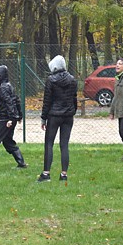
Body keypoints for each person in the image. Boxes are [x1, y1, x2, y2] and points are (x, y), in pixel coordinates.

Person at [38, 55, 78, 183]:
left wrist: (43, 118)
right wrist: (72, 111)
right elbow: (74, 98)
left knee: (49, 143)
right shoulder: (72, 80)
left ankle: (46, 173)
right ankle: (64, 174)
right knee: (64, 144)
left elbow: (47, 100)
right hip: (68, 116)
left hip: (54, 115)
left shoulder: (51, 80)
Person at [0, 65, 27, 169]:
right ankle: (21, 163)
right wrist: (18, 116)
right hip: (10, 118)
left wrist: (11, 119)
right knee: (8, 142)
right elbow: (16, 100)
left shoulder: (3, 88)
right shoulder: (9, 86)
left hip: (6, 119)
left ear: (1, 75)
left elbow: (10, 103)